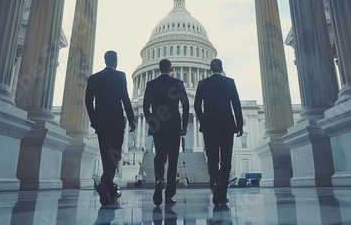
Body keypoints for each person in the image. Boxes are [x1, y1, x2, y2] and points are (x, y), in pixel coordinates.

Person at [85, 50, 136, 206]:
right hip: (116, 122)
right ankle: (106, 184)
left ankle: (109, 188)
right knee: (114, 155)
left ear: (105, 60)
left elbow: (88, 101)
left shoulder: (94, 78)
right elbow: (125, 99)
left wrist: (94, 120)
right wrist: (132, 120)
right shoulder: (120, 76)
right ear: (116, 61)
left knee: (106, 154)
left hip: (101, 123)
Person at [194, 59, 243, 206]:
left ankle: (215, 183)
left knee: (212, 158)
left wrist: (203, 120)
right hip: (227, 125)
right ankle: (223, 192)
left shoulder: (203, 83)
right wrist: (239, 125)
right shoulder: (229, 82)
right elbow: (236, 104)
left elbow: (197, 106)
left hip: (210, 126)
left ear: (210, 69)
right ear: (221, 69)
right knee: (226, 160)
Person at [143, 59, 189, 206]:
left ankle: (159, 180)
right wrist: (184, 125)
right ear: (171, 69)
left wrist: (152, 122)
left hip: (158, 126)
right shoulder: (178, 83)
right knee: (173, 159)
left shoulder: (151, 84)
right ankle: (169, 194)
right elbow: (186, 106)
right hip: (174, 125)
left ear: (158, 69)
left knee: (160, 156)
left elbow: (145, 107)